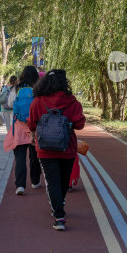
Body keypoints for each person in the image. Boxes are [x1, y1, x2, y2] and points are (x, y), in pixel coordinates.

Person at [28, 69, 86, 231]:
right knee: (63, 180)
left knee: (52, 181)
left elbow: (32, 122)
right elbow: (80, 124)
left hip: (45, 149)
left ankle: (59, 216)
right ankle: (59, 205)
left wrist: (33, 136)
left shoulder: (38, 101)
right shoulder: (73, 102)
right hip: (67, 147)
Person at [3, 66, 43, 196]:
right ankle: (35, 180)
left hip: (19, 126)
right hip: (34, 126)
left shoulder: (16, 88)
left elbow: (9, 104)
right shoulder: (39, 89)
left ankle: (20, 185)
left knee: (19, 157)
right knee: (35, 154)